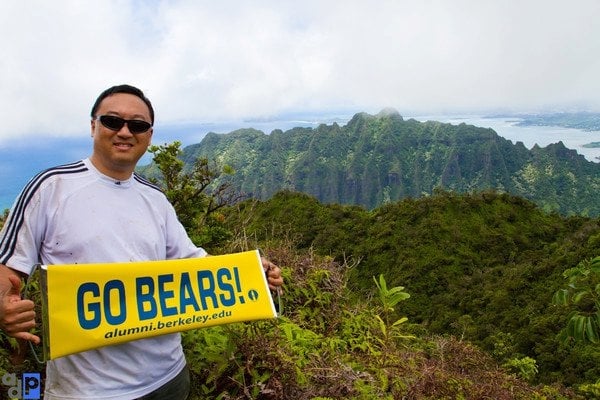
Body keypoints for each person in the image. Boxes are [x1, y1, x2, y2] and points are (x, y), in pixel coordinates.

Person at [0, 84, 284, 399]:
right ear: (93, 125)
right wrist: (5, 308)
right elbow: (8, 270)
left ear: (148, 135)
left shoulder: (155, 198)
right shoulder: (50, 188)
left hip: (169, 377)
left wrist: (253, 274)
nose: (125, 131)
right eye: (112, 121)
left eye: (137, 125)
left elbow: (190, 261)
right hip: (87, 390)